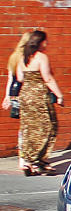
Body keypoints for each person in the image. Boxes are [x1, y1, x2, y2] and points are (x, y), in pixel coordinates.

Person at [16, 30, 64, 175]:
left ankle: (30, 161)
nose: (47, 43)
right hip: (38, 96)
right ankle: (38, 161)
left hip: (25, 95)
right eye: (46, 41)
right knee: (49, 126)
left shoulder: (23, 57)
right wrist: (59, 95)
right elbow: (47, 78)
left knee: (29, 128)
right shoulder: (41, 57)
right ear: (40, 42)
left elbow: (19, 78)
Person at [2, 32, 32, 169]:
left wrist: (7, 96)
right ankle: (25, 157)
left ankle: (23, 158)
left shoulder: (13, 57)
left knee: (23, 126)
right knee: (28, 126)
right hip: (24, 94)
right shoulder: (24, 57)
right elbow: (23, 78)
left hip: (14, 94)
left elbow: (10, 79)